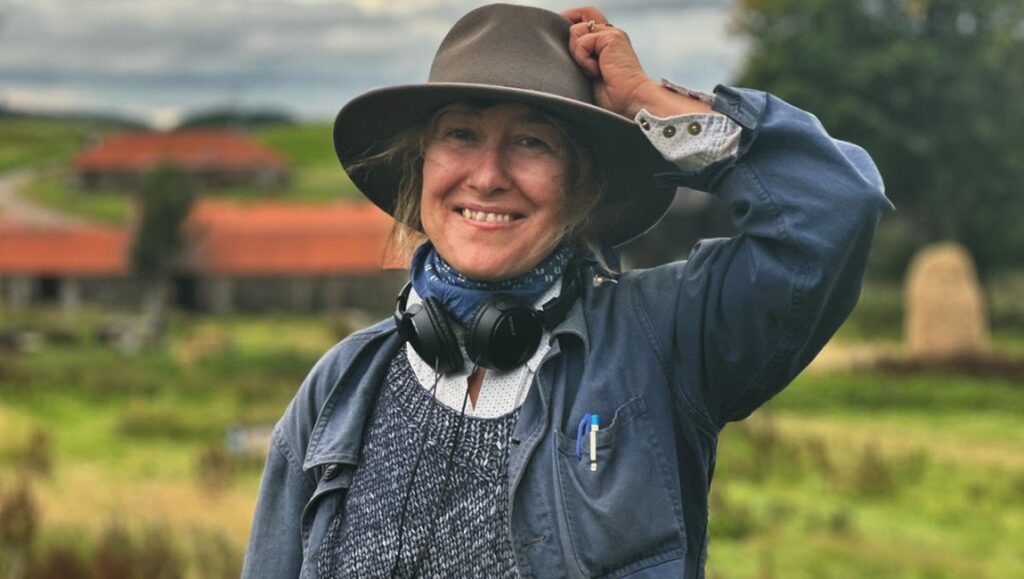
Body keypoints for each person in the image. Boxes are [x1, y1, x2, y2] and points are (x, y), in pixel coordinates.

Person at [242, 4, 894, 578]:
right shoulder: (341, 387)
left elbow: (834, 206)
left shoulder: (665, 341)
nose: (488, 176)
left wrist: (649, 101)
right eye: (460, 134)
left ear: (581, 183)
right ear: (420, 166)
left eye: (531, 141)